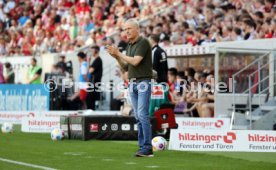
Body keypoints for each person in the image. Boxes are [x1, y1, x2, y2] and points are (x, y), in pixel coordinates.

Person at [106, 19, 153, 157]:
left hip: (143, 82)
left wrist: (119, 53)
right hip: (132, 83)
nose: (126, 31)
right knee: (138, 116)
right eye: (125, 29)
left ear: (137, 29)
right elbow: (126, 67)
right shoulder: (130, 45)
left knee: (142, 115)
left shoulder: (143, 42)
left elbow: (136, 61)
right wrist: (116, 57)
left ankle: (147, 148)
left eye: (129, 28)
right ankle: (142, 146)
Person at [87, 45, 103, 110]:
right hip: (94, 83)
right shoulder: (96, 60)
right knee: (90, 100)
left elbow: (90, 71)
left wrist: (88, 61)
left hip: (94, 83)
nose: (91, 52)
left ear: (96, 51)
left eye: (92, 50)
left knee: (91, 101)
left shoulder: (98, 60)